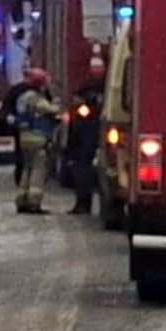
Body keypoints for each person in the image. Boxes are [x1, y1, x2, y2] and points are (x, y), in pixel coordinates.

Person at [13, 67, 61, 214]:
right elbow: (52, 110)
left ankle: (21, 200)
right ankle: (34, 203)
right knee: (38, 171)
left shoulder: (22, 98)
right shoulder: (36, 99)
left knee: (27, 169)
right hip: (38, 139)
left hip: (24, 138)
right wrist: (57, 102)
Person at [64, 56, 107, 214]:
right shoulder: (85, 88)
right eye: (94, 68)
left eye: (99, 68)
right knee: (82, 169)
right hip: (84, 134)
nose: (97, 71)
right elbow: (77, 106)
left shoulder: (109, 87)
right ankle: (82, 203)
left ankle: (92, 203)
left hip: (100, 132)